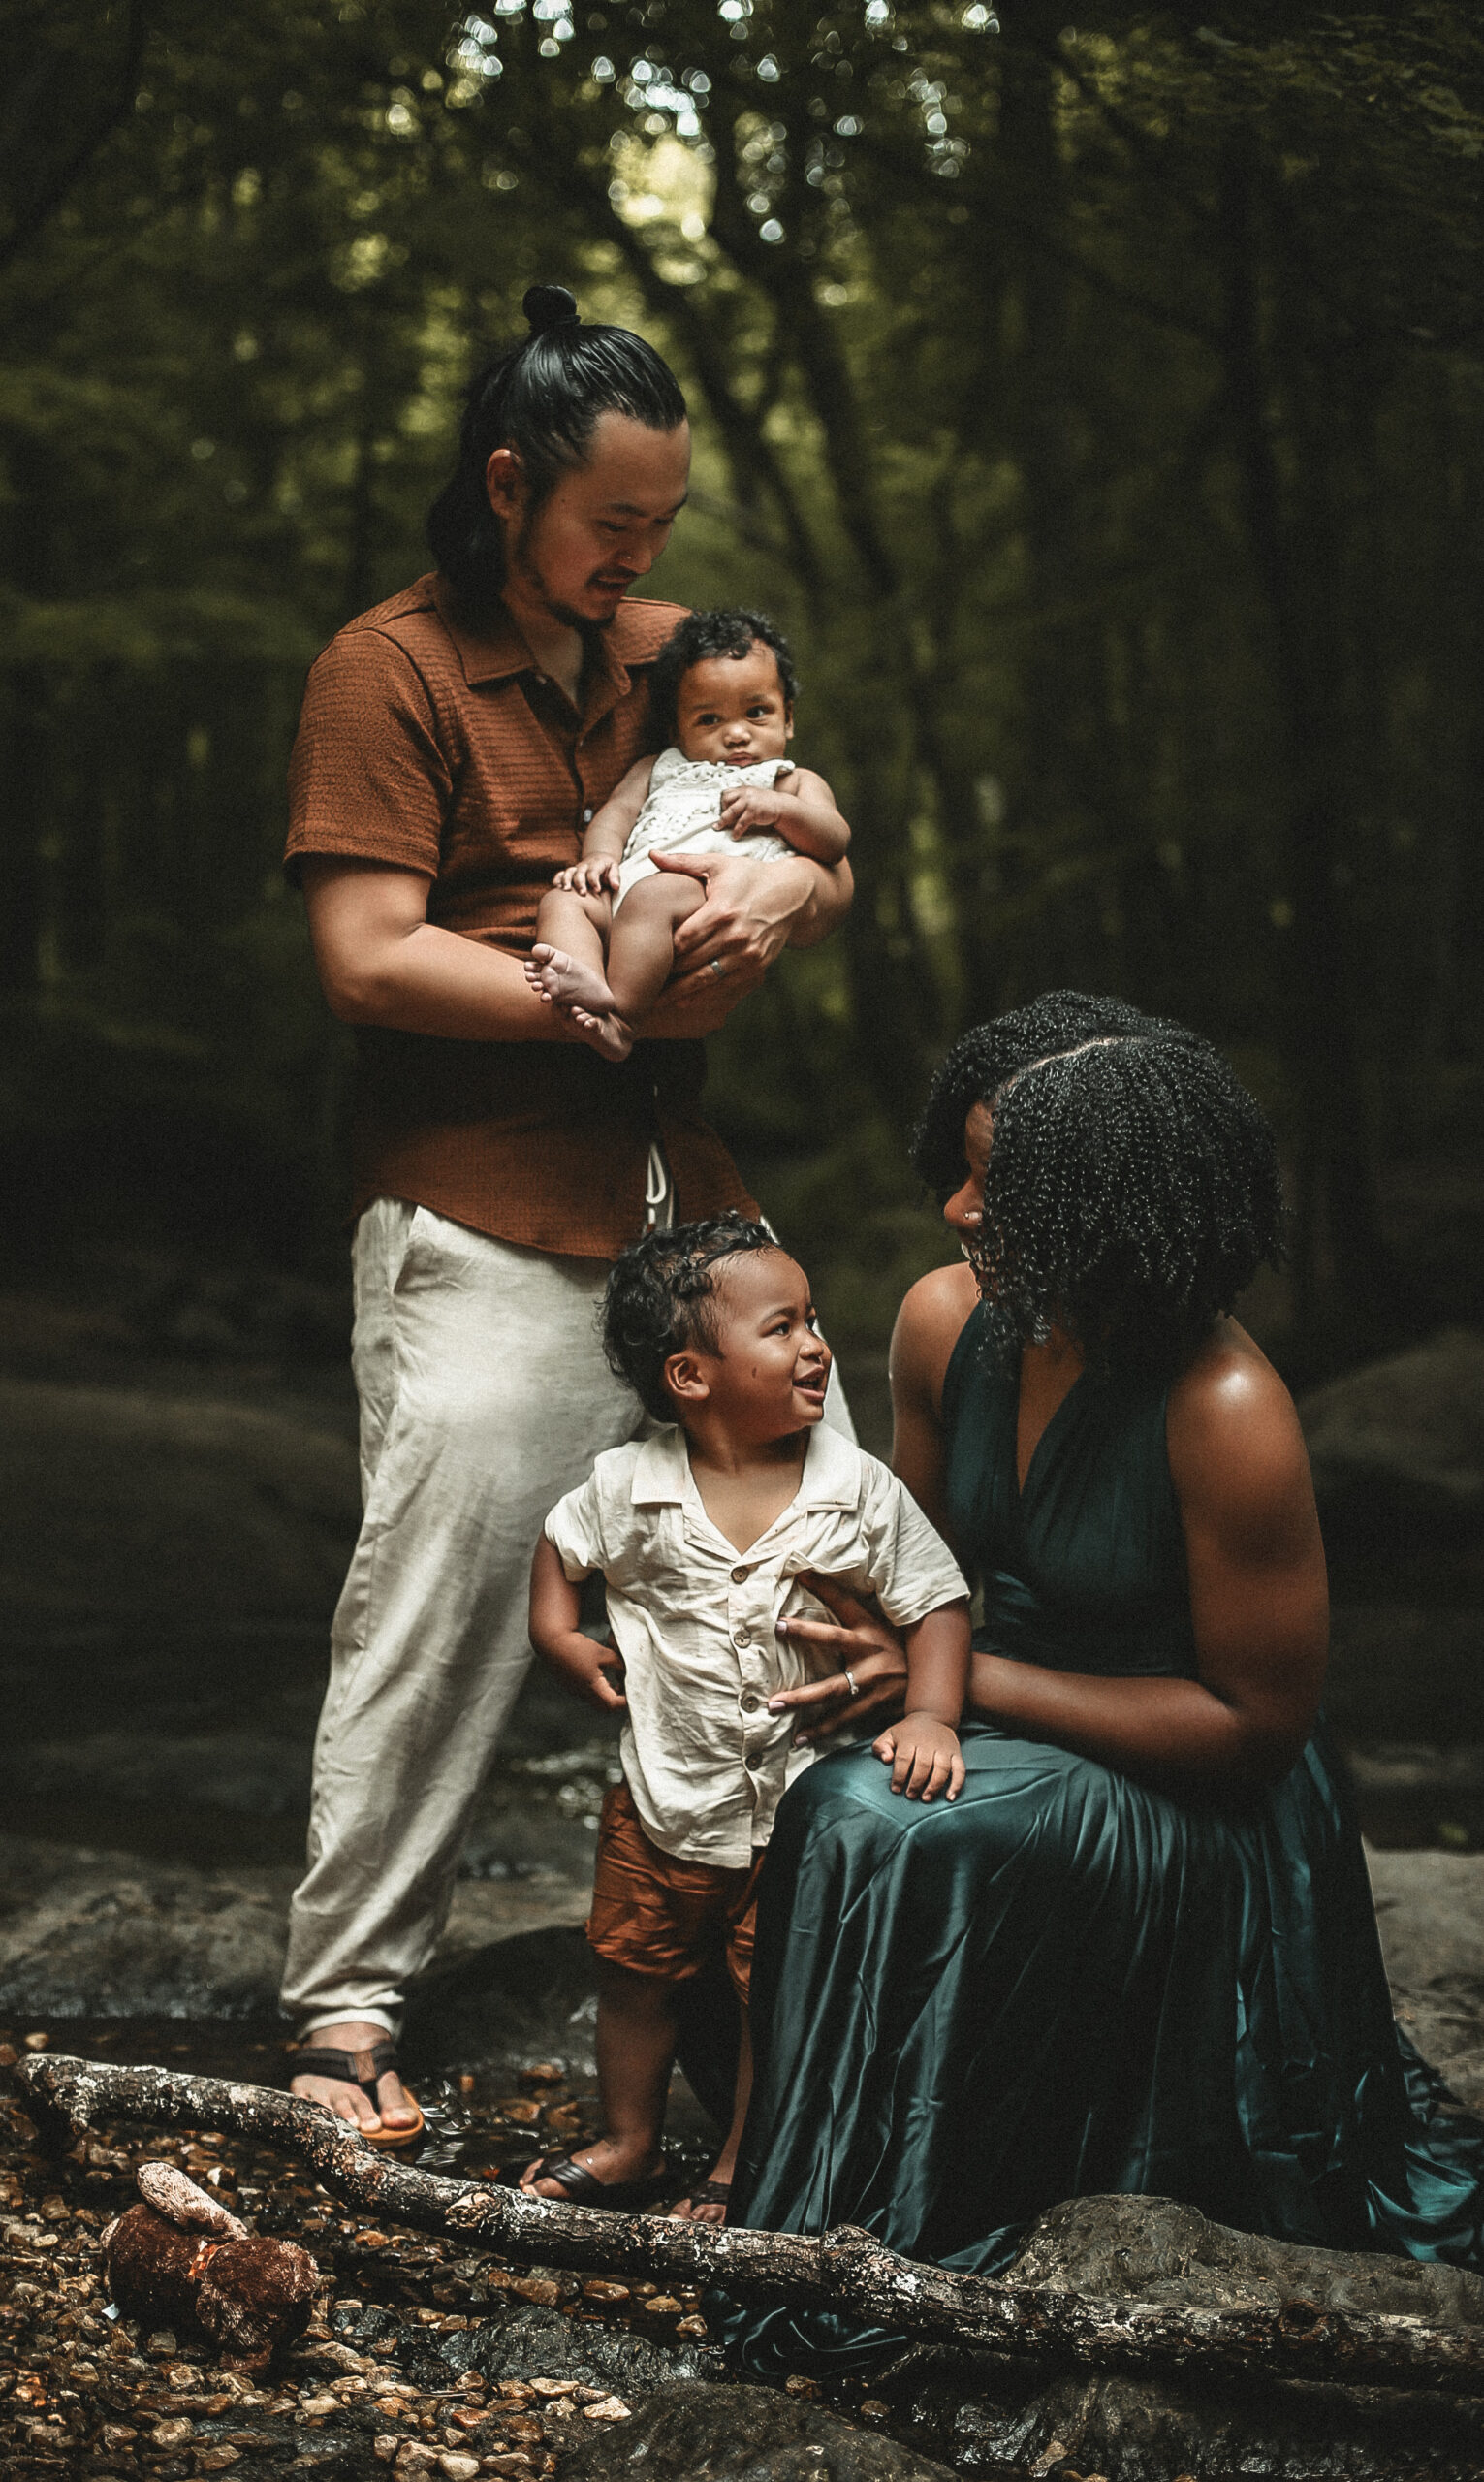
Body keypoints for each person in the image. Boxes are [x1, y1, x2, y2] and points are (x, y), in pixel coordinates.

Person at [277, 283, 854, 2139]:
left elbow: (793, 800)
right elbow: (365, 959)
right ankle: (346, 2008)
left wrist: (796, 900)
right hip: (481, 1196)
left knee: (800, 1575)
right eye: (614, 523)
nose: (645, 563)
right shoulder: (387, 669)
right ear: (510, 484)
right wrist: (585, 987)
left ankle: (771, 2010)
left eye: (665, 527)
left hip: (687, 1200)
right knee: (441, 1598)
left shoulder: (674, 645)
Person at [716, 994, 1484, 2373]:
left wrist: (957, 1685)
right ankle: (804, 2205)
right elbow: (914, 1569)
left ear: (1102, 1208)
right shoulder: (945, 1326)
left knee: (893, 1822)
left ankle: (910, 2231)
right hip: (996, 1703)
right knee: (839, 1797)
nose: (953, 1211)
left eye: (991, 1186)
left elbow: (1249, 1729)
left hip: (1191, 1790)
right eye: (953, 1169)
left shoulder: (1224, 1408)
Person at [521, 1215, 969, 2221]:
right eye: (783, 1327)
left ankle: (740, 2160)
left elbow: (936, 1601)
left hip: (798, 1815)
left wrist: (933, 1712)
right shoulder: (628, 1488)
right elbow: (559, 1546)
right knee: (634, 1973)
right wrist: (557, 1633)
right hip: (659, 1800)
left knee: (775, 1991)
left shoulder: (853, 1489)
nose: (816, 1345)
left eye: (813, 1320)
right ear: (690, 1375)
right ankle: (632, 2138)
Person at [524, 610, 850, 1060]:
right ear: (677, 728)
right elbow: (616, 813)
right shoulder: (658, 768)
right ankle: (585, 982)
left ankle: (621, 1020)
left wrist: (781, 811)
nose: (737, 734)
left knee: (653, 897)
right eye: (709, 720)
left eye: (757, 712)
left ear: (788, 717)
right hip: (624, 892)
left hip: (693, 902)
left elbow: (834, 840)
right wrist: (597, 858)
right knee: (561, 901)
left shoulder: (790, 782)